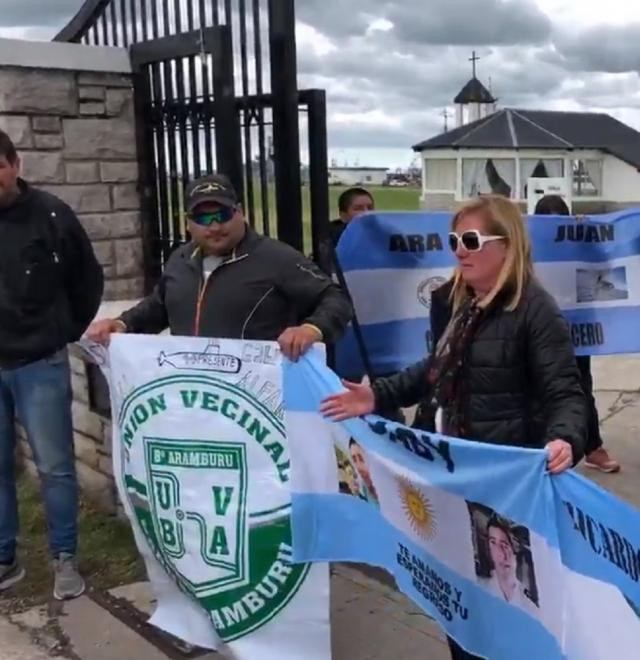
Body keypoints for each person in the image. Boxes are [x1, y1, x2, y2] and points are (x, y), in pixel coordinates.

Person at [319, 194, 587, 660]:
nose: (459, 251)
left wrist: (567, 437)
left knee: (503, 606)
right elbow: (433, 369)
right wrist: (376, 395)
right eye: (453, 241)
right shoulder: (465, 304)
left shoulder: (535, 312)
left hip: (499, 492)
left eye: (470, 240)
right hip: (451, 482)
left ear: (506, 246)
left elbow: (565, 391)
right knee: (458, 604)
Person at [85, 174, 353, 360]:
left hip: (257, 402)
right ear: (188, 223)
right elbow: (160, 306)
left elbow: (336, 298)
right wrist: (122, 323)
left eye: (222, 215)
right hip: (195, 395)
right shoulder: (181, 259)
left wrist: (311, 329)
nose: (214, 227)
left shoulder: (276, 257)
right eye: (203, 218)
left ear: (239, 212)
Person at [0, 128, 103, 600]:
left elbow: (87, 278)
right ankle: (6, 559)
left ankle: (64, 558)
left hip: (40, 361)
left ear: (15, 164)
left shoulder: (52, 215)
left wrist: (62, 330)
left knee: (56, 466)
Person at [533, 194, 620, 473]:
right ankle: (545, 449)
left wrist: (585, 233)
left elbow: (604, 262)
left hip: (575, 334)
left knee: (582, 390)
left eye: (559, 222)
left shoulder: (579, 244)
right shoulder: (527, 247)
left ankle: (592, 447)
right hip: (537, 333)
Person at [479, 517, 539, 619]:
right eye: (493, 543)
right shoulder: (479, 587)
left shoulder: (530, 608)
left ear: (517, 549)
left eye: (505, 545)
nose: (501, 554)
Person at [319, 186, 374, 276]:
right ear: (343, 216)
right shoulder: (331, 241)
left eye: (370, 207)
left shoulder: (383, 235)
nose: (366, 212)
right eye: (358, 209)